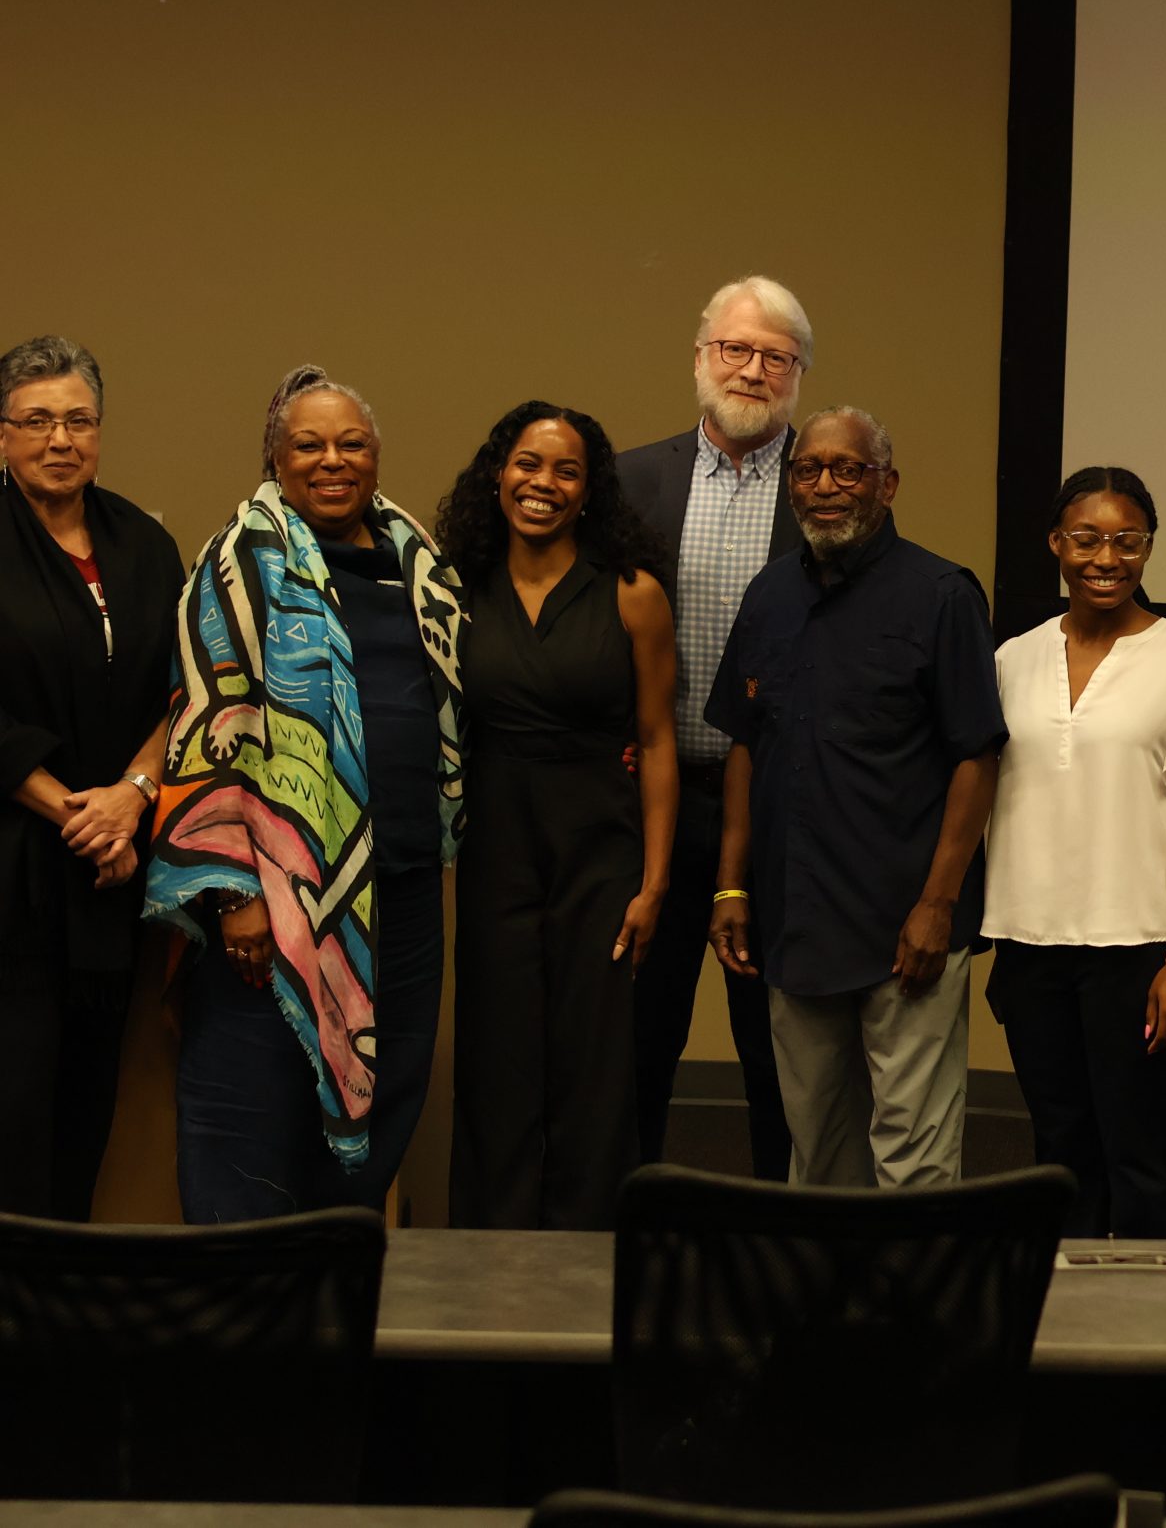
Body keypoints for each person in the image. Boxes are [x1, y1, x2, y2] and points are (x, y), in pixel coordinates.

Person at [145, 366, 465, 1221]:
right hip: (272, 893)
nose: (332, 459)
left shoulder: (418, 564)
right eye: (309, 444)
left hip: (395, 881)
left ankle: (332, 1269)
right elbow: (203, 726)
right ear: (276, 459)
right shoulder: (236, 564)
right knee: (253, 1095)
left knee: (389, 1074)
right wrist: (235, 894)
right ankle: (241, 1287)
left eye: (350, 443)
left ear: (375, 456)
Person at [705, 407, 1003, 1188]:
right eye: (809, 470)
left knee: (913, 1159)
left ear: (887, 483)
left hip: (906, 924)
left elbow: (977, 756)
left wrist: (939, 903)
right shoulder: (769, 594)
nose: (827, 485)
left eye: (849, 469)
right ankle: (827, 1308)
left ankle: (913, 1309)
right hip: (794, 917)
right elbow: (744, 743)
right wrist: (731, 882)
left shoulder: (942, 595)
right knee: (816, 1151)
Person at [435, 402, 678, 1229]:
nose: (543, 483)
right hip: (495, 841)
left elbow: (655, 739)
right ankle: (487, 1266)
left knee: (594, 1067)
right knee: (495, 1060)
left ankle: (589, 1264)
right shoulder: (454, 589)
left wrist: (653, 883)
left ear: (589, 490)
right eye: (528, 464)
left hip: (601, 852)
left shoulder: (633, 594)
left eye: (565, 470)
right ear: (498, 473)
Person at [982, 467, 1166, 1237]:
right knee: (1059, 1154)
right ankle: (1064, 1323)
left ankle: (1149, 1332)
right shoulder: (1011, 660)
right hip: (1030, 948)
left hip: (1137, 953)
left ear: (1148, 549)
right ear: (1056, 544)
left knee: (1140, 1153)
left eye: (1127, 541)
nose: (1107, 557)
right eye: (1087, 538)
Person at [617, 274, 807, 1181]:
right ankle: (622, 1247)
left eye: (775, 356)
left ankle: (780, 1243)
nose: (752, 369)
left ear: (797, 374)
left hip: (772, 816)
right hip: (648, 807)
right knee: (634, 1045)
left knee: (776, 1053)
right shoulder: (630, 480)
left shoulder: (831, 483)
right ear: (700, 358)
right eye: (736, 348)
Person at [0, 337, 183, 1220]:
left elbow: (187, 689)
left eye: (78, 419)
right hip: (14, 874)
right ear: (2, 435)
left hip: (113, 873)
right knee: (13, 1115)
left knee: (83, 1110)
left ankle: (54, 1332)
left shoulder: (144, 544)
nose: (60, 438)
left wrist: (131, 799)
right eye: (36, 420)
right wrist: (77, 813)